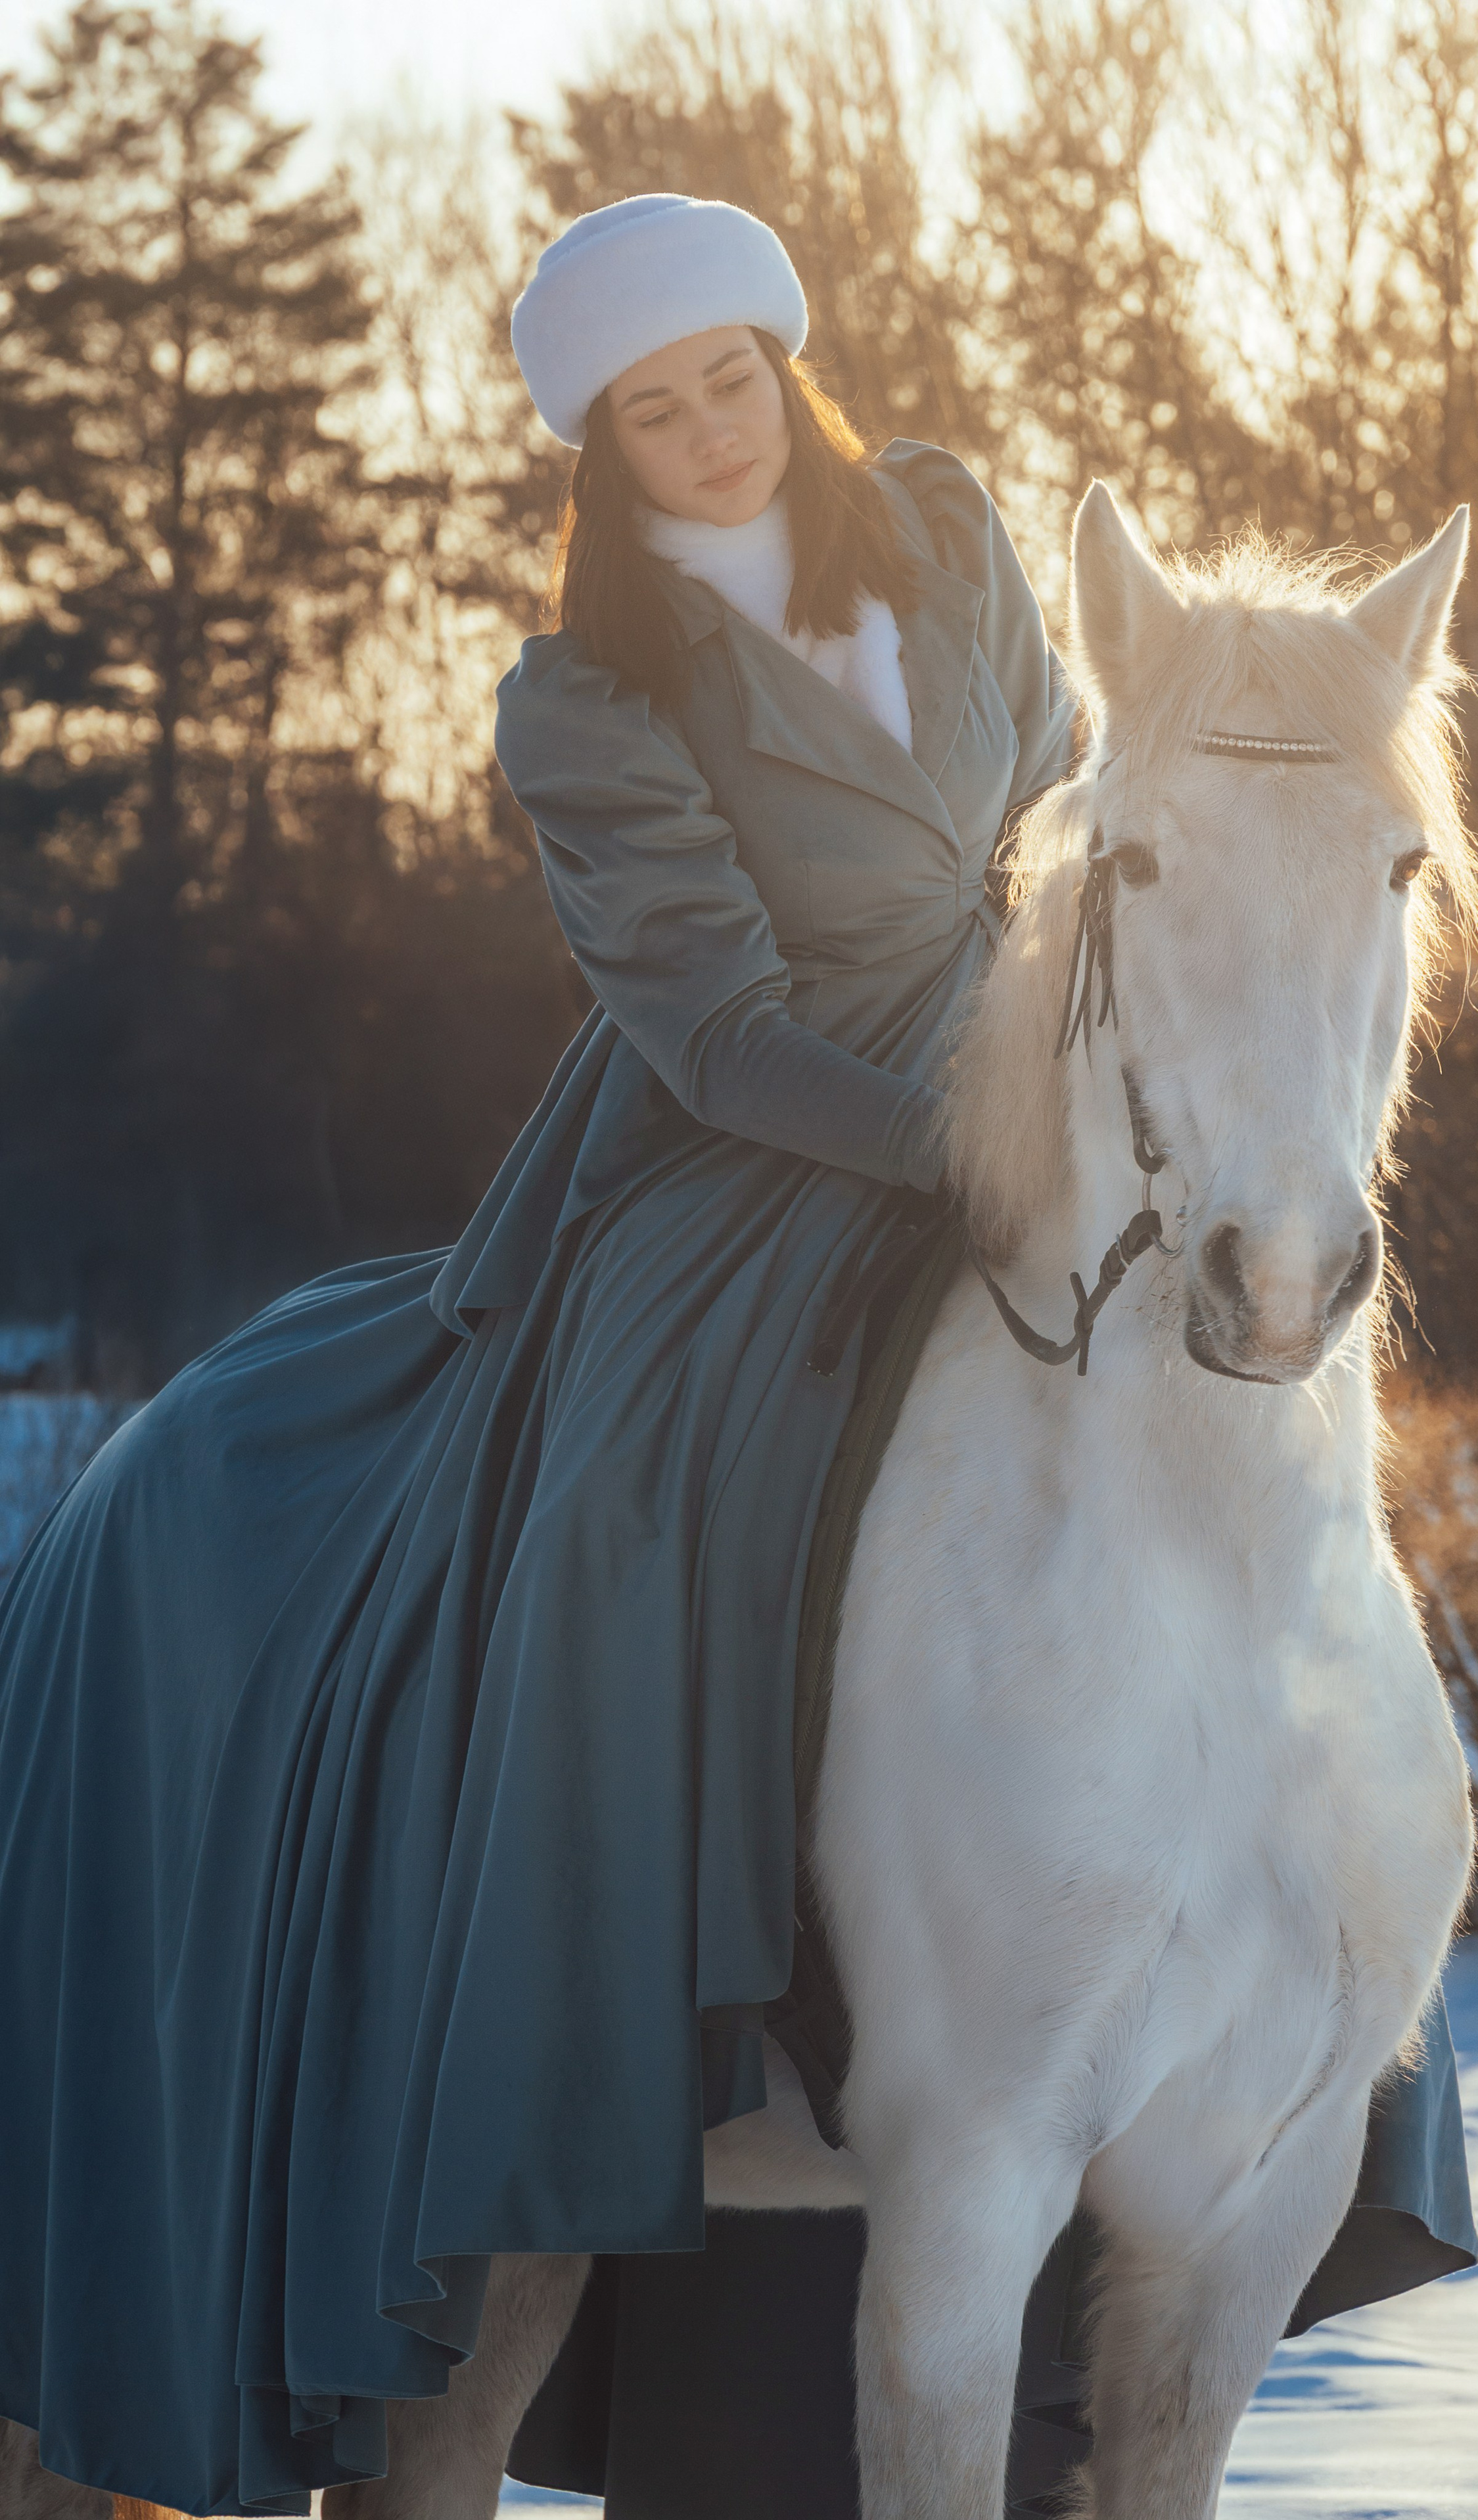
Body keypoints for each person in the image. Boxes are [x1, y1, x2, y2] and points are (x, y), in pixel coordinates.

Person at [0, 193, 1077, 2514]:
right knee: (618, 1511)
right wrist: (965, 1148)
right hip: (758, 1159)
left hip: (1036, 1103)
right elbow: (703, 1021)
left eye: (725, 379)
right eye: (642, 409)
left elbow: (1077, 809)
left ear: (790, 364)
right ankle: (598, 1984)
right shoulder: (587, 694)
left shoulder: (961, 532)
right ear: (594, 448)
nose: (699, 434)